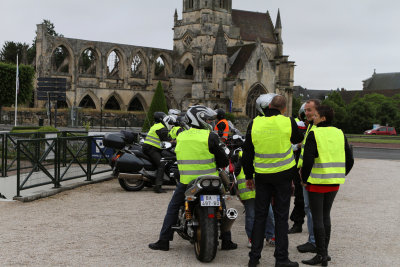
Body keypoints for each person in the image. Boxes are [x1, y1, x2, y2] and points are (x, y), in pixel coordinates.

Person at [148, 105, 238, 251]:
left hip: (186, 182)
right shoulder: (211, 136)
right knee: (222, 207)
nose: (209, 122)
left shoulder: (181, 136)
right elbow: (223, 161)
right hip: (211, 181)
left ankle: (164, 241)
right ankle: (226, 240)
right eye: (207, 119)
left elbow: (174, 153)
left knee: (173, 207)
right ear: (199, 120)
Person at [243, 95, 303, 267]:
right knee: (281, 217)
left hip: (262, 176)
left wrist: (248, 176)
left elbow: (247, 153)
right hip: (283, 175)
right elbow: (297, 139)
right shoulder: (287, 121)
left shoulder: (254, 123)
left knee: (260, 216)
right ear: (283, 109)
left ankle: (254, 258)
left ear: (268, 105)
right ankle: (281, 258)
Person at [300, 105, 354, 266]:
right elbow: (350, 159)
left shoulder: (314, 133)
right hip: (334, 182)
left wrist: (304, 179)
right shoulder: (339, 132)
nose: (312, 118)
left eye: (315, 116)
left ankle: (321, 254)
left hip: (317, 182)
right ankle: (325, 253)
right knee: (326, 216)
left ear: (323, 118)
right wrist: (340, 174)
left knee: (317, 218)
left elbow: (308, 160)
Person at [234, 150, 275, 249]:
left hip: (261, 190)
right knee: (253, 216)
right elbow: (237, 172)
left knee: (268, 214)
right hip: (250, 191)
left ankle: (270, 237)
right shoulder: (242, 155)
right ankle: (253, 238)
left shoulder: (260, 153)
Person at [296, 99, 321, 253]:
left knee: (313, 210)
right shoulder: (310, 126)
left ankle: (314, 241)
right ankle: (314, 239)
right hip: (307, 174)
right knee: (308, 208)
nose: (306, 113)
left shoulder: (317, 128)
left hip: (313, 175)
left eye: (309, 110)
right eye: (305, 110)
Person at [288, 103, 308, 234]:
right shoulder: (298, 126)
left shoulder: (316, 129)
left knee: (301, 196)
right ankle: (297, 221)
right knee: (300, 195)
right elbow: (291, 145)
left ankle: (297, 221)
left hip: (303, 164)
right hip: (300, 164)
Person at [142, 112, 173, 193]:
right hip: (151, 149)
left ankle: (149, 181)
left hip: (149, 148)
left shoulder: (156, 126)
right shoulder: (162, 128)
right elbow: (166, 140)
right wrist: (174, 142)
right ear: (161, 119)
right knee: (161, 164)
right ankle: (158, 187)